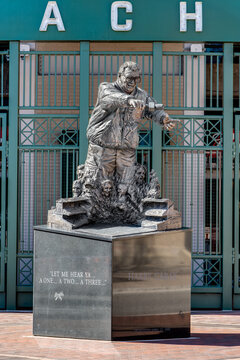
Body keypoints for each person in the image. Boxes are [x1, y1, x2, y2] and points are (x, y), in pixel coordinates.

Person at [85, 61, 175, 185]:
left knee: (126, 186)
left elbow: (152, 109)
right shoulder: (106, 88)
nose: (132, 82)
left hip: (126, 148)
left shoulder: (141, 95)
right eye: (128, 78)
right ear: (120, 75)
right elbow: (109, 98)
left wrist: (163, 118)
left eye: (136, 78)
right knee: (96, 184)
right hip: (103, 146)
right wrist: (128, 100)